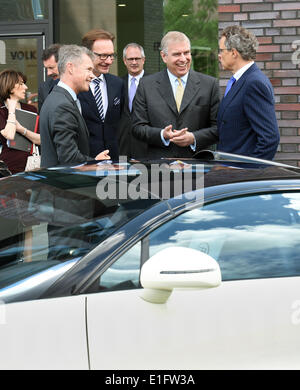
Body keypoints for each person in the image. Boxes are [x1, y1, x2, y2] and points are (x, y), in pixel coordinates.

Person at [132, 31, 220, 159]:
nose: (183, 59)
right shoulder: (146, 85)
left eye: (186, 53)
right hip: (160, 169)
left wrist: (193, 138)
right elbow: (137, 127)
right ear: (164, 56)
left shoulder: (209, 85)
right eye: (177, 54)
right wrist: (163, 134)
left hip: (198, 167)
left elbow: (218, 128)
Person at [39, 45, 110, 168]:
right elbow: (69, 158)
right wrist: (95, 164)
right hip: (62, 184)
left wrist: (94, 160)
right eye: (88, 69)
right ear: (70, 68)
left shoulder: (58, 98)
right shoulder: (62, 105)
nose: (92, 76)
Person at [217, 25, 280, 160]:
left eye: (221, 50)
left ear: (234, 53)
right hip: (227, 171)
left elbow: (269, 139)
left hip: (240, 175)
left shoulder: (254, 83)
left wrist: (249, 171)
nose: (219, 55)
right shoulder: (239, 80)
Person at [79, 29, 124, 161]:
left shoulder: (117, 84)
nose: (109, 61)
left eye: (111, 55)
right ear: (86, 54)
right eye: (103, 56)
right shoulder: (74, 86)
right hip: (83, 163)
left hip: (113, 162)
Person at [0, 69, 40, 174]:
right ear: (10, 86)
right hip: (9, 167)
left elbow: (41, 140)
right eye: (21, 84)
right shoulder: (1, 110)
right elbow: (9, 134)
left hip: (32, 165)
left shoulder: (31, 109)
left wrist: (22, 130)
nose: (25, 87)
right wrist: (12, 110)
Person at [119, 42, 148, 159]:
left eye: (137, 58)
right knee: (122, 178)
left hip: (147, 147)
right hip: (122, 147)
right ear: (124, 61)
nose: (134, 62)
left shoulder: (154, 83)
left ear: (143, 60)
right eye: (130, 59)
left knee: (147, 177)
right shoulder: (117, 84)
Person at [38, 43, 61, 112]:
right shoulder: (44, 88)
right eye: (46, 68)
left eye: (51, 68)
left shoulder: (81, 85)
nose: (48, 73)